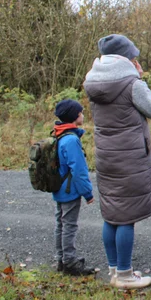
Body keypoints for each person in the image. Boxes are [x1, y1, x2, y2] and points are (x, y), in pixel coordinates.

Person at [83, 34, 151, 290]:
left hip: (106, 156)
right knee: (126, 216)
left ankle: (115, 269)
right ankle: (126, 276)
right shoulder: (132, 84)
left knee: (112, 214)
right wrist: (140, 79)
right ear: (126, 57)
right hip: (130, 158)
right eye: (134, 56)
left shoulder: (93, 82)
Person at [51, 99, 96, 276]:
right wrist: (88, 193)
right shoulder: (71, 140)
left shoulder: (59, 134)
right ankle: (70, 262)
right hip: (69, 190)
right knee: (69, 225)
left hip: (59, 188)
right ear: (75, 116)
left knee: (61, 224)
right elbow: (78, 170)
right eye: (81, 112)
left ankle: (61, 260)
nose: (83, 115)